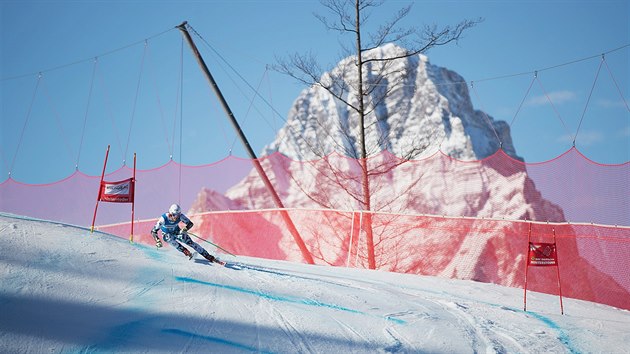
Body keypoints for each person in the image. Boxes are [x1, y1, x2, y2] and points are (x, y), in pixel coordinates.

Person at [151, 203, 223, 264]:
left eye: (178, 215)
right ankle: (186, 252)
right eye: (175, 215)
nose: (176, 217)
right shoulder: (163, 219)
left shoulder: (180, 216)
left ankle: (208, 256)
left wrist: (185, 229)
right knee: (168, 238)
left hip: (177, 232)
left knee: (190, 243)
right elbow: (154, 231)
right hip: (167, 234)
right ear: (171, 213)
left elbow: (190, 224)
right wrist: (157, 240)